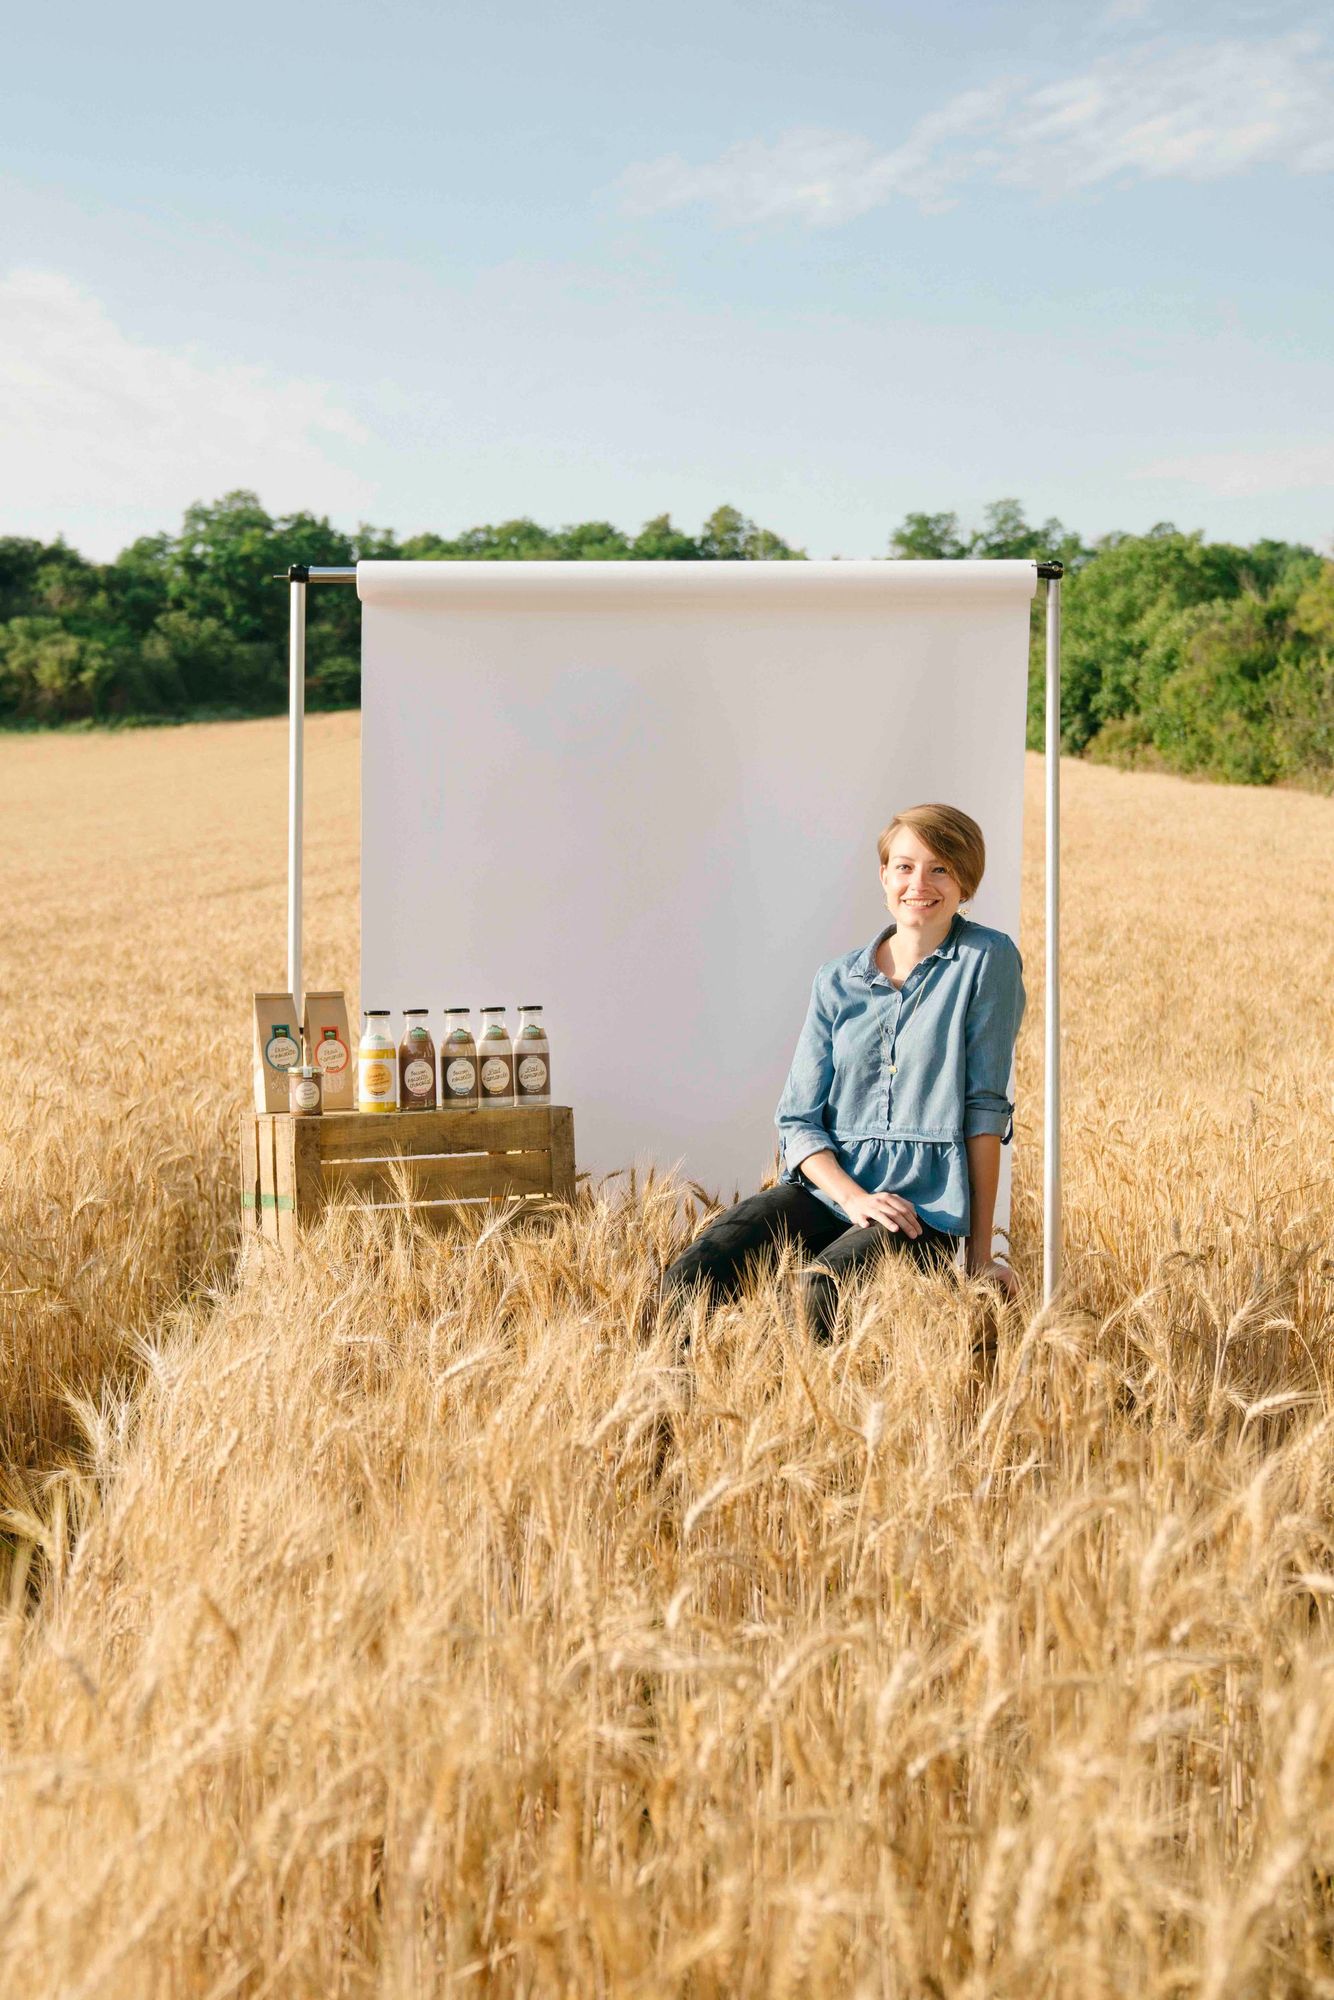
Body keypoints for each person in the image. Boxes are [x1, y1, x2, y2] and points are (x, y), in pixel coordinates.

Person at [660, 803, 1026, 1344]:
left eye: (940, 868)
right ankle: (675, 1415)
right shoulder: (836, 981)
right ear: (883, 876)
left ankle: (818, 1420)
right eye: (903, 866)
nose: (918, 883)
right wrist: (853, 1198)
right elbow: (797, 1120)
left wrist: (977, 1257)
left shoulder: (986, 959)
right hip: (829, 1190)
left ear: (965, 881)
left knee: (817, 1290)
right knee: (689, 1277)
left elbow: (984, 1112)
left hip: (922, 1206)